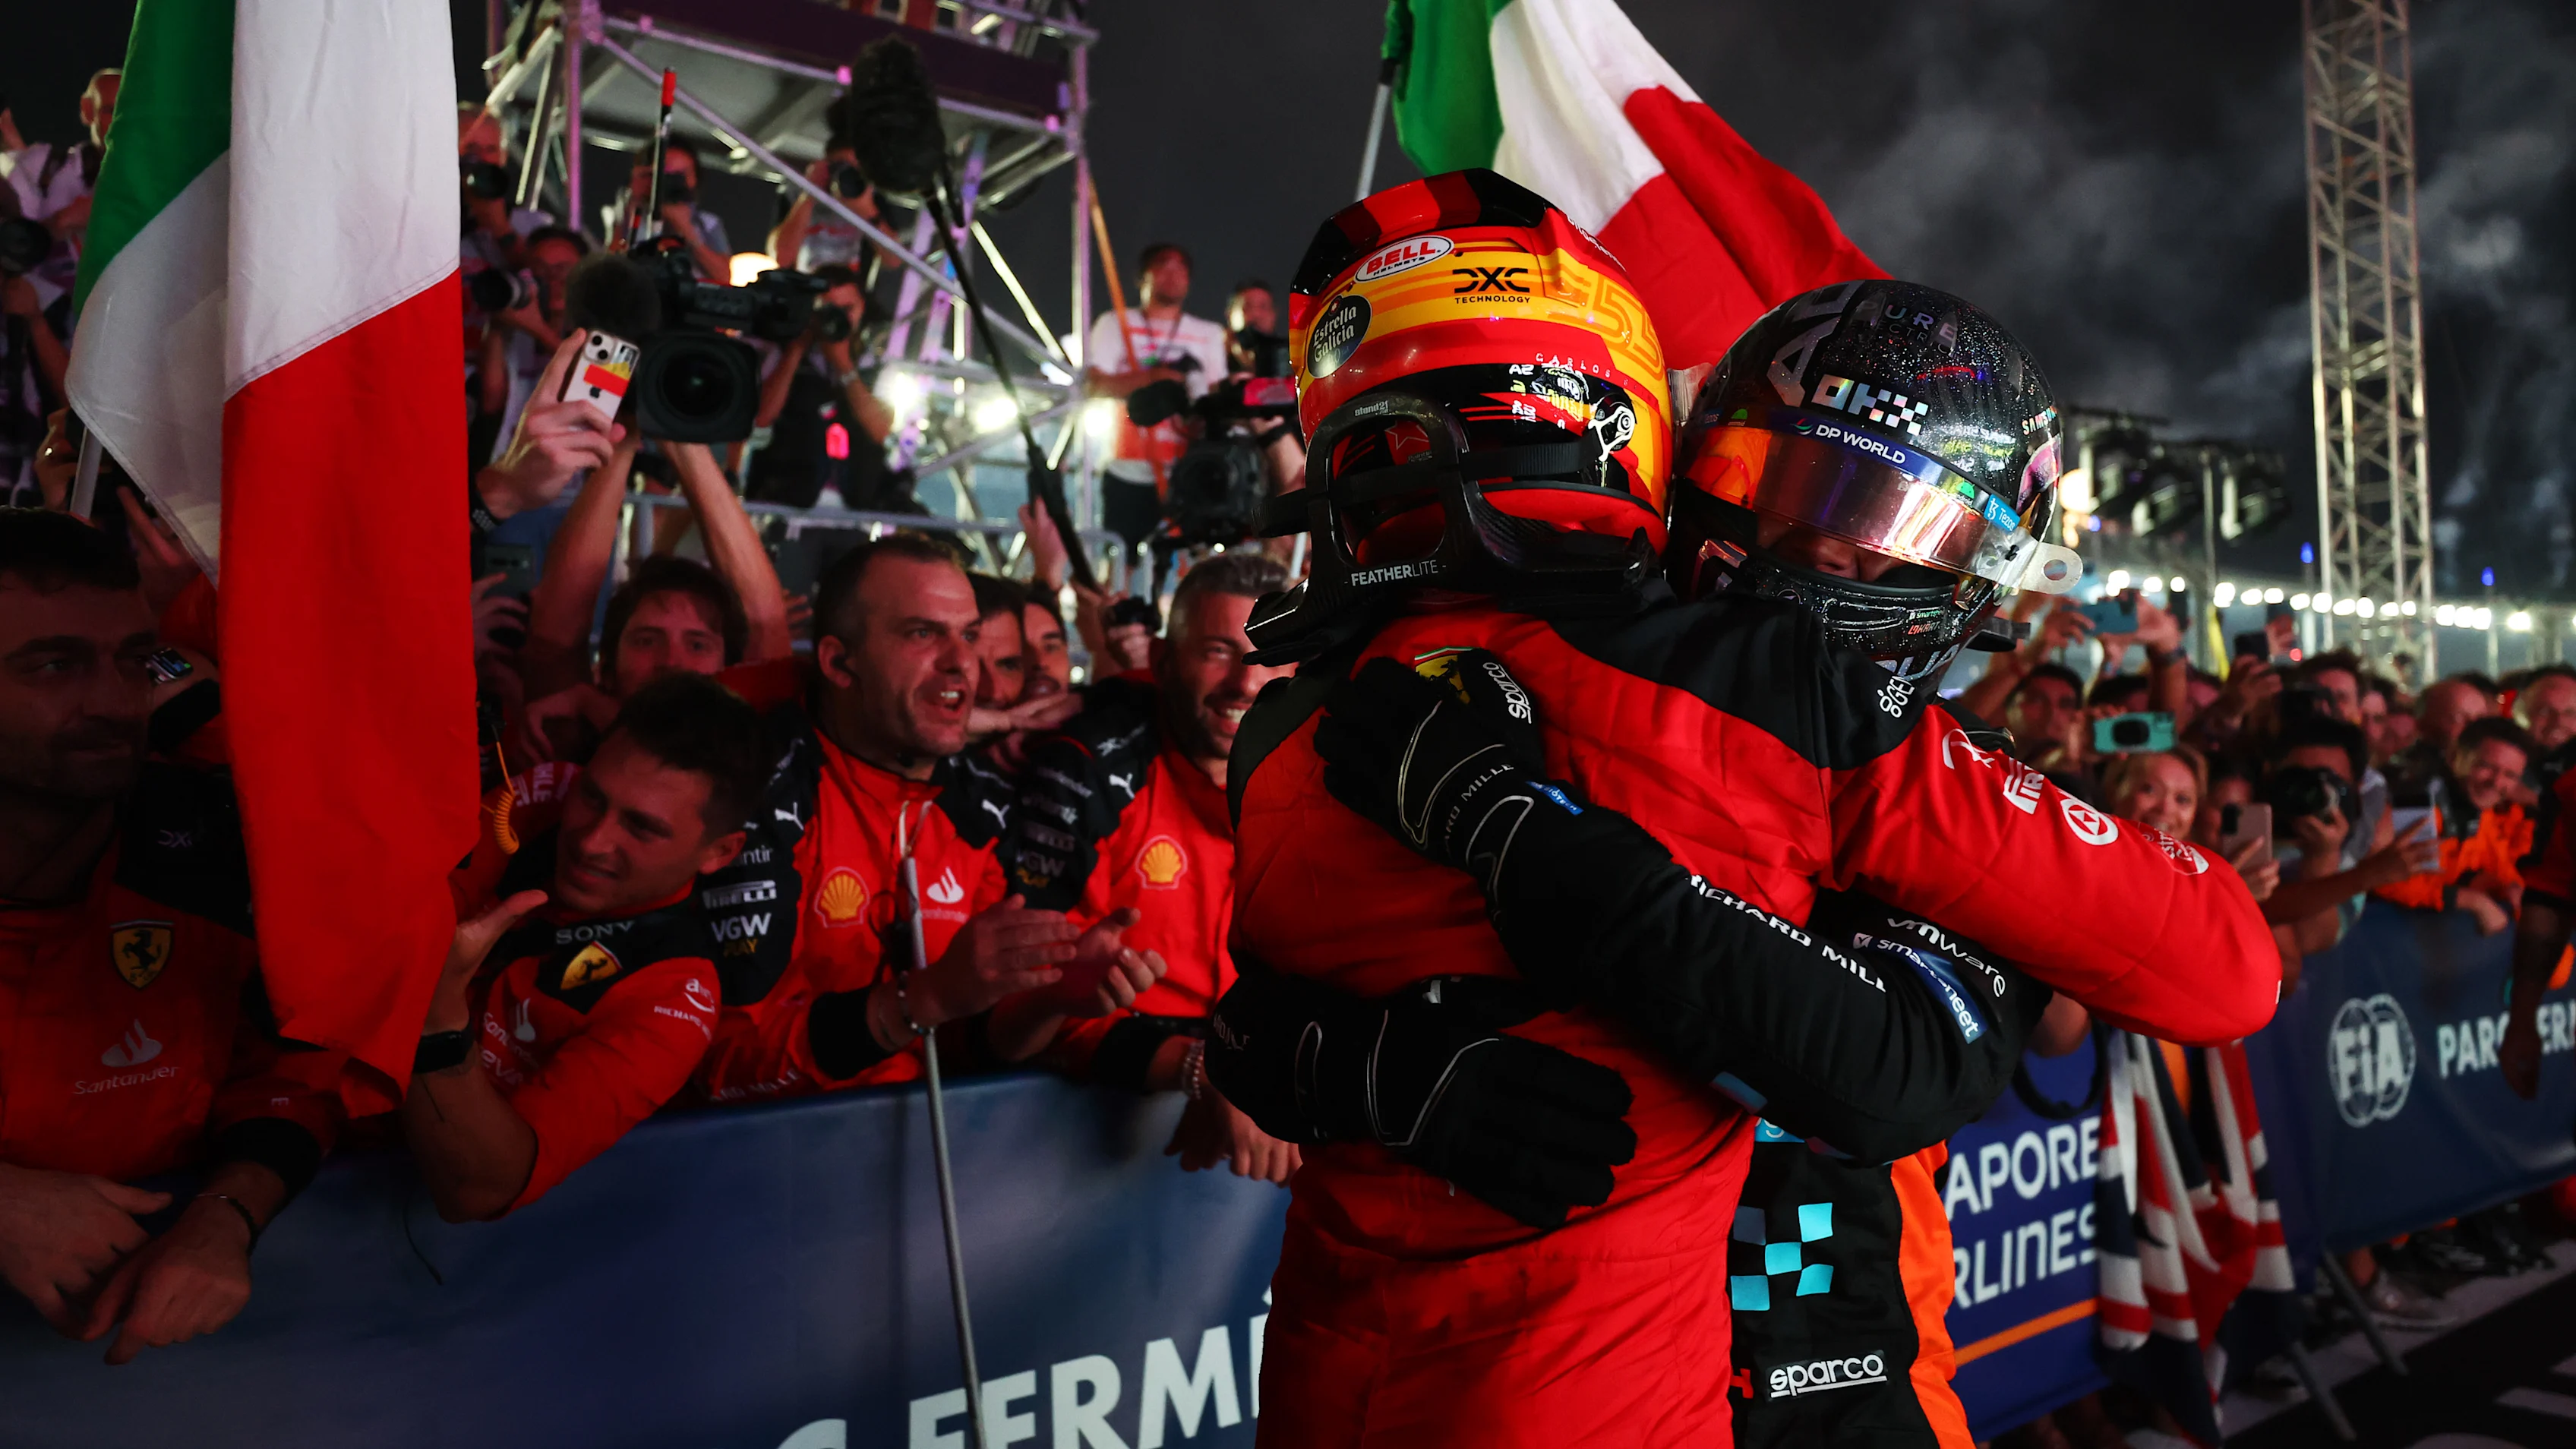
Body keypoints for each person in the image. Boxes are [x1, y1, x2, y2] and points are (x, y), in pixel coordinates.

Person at [1212, 175, 2276, 1447]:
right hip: (1659, 1377)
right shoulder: (1782, 710)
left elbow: (1931, 1059)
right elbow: (1248, 1018)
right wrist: (1356, 1058)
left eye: (1887, 523)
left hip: (1786, 1354)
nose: (1821, 551)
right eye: (1779, 486)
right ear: (1671, 448)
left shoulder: (1303, 714)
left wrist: (1498, 869)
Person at [0, 509, 343, 1363]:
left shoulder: (216, 842)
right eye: (54, 665)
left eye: (133, 660)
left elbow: (295, 1070)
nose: (116, 701)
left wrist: (227, 1213)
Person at [687, 535, 1119, 1103]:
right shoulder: (754, 790)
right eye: (923, 633)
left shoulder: (981, 807)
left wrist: (1054, 1001)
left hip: (941, 1160)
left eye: (967, 634)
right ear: (840, 662)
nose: (962, 663)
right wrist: (923, 1000)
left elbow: (971, 1044)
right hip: (759, 1165)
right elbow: (720, 1066)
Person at [406, 674, 763, 1218]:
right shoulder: (546, 794)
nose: (592, 840)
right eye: (593, 796)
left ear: (720, 851)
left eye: (641, 828)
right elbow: (405, 912)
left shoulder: (674, 998)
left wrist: (436, 1024)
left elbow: (481, 1189)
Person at [995, 554, 1300, 1182]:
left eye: (1270, 655)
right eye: (1218, 651)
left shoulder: (1324, 772)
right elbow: (1022, 1016)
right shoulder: (1088, 771)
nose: (1245, 682)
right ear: (1161, 662)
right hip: (1077, 1139)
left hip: (1263, 1112)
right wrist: (1201, 1067)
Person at [1082, 244, 1230, 554]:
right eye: (1163, 266)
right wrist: (1158, 378)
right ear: (1143, 277)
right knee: (1121, 557)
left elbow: (1216, 399)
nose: (1173, 275)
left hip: (1187, 468)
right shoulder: (1116, 323)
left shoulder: (1208, 333)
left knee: (1190, 559)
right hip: (1128, 466)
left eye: (1182, 269)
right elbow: (1096, 386)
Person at [747, 264, 901, 511]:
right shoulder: (782, 352)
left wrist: (844, 366)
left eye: (847, 309)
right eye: (829, 310)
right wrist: (796, 351)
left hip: (856, 508)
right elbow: (762, 417)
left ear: (862, 307)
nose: (838, 318)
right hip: (785, 502)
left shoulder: (879, 366)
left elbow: (880, 430)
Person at [2371, 715, 2534, 934]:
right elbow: (2385, 880)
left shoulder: (2479, 812)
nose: (2496, 782)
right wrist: (2471, 901)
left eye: (2510, 775)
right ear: (2454, 758)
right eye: (2485, 766)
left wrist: (2508, 888)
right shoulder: (2414, 801)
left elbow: (2498, 867)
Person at [607, 137, 730, 283]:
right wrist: (631, 206)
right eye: (665, 174)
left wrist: (687, 231)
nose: (672, 182)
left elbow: (725, 277)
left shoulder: (707, 223)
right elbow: (610, 266)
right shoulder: (630, 216)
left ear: (695, 178)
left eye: (680, 175)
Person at [767, 141, 882, 274]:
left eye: (855, 170)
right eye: (839, 167)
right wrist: (809, 195)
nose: (845, 175)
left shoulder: (870, 195)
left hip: (849, 288)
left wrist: (868, 210)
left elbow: (894, 260)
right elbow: (782, 258)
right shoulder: (795, 194)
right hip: (806, 283)